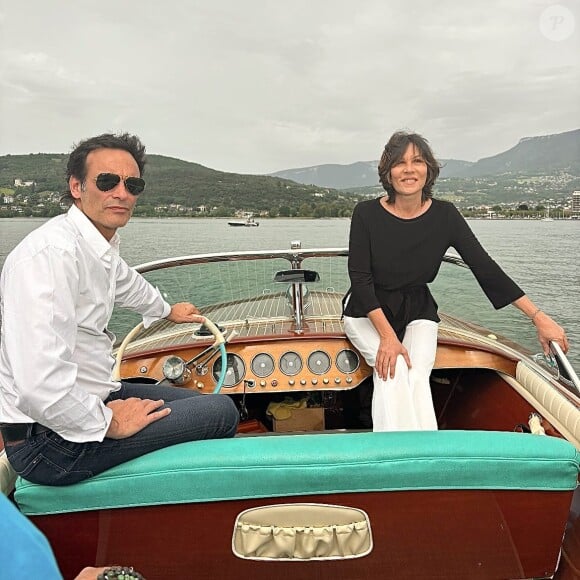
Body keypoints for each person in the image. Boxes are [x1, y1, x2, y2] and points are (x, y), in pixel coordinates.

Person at [0, 133, 239, 486]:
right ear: (77, 186)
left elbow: (127, 283)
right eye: (107, 181)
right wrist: (111, 422)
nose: (121, 193)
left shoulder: (95, 246)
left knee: (201, 402)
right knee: (221, 413)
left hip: (92, 397)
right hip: (48, 441)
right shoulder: (50, 257)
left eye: (132, 184)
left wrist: (167, 310)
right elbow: (40, 384)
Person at [343, 131, 569, 432]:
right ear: (388, 172)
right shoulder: (366, 214)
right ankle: (401, 462)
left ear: (429, 169)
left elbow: (484, 267)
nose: (409, 169)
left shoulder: (445, 216)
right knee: (393, 370)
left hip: (417, 308)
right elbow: (359, 278)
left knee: (418, 372)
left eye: (417, 161)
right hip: (366, 310)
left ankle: (423, 458)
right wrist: (386, 336)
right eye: (400, 163)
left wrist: (538, 318)